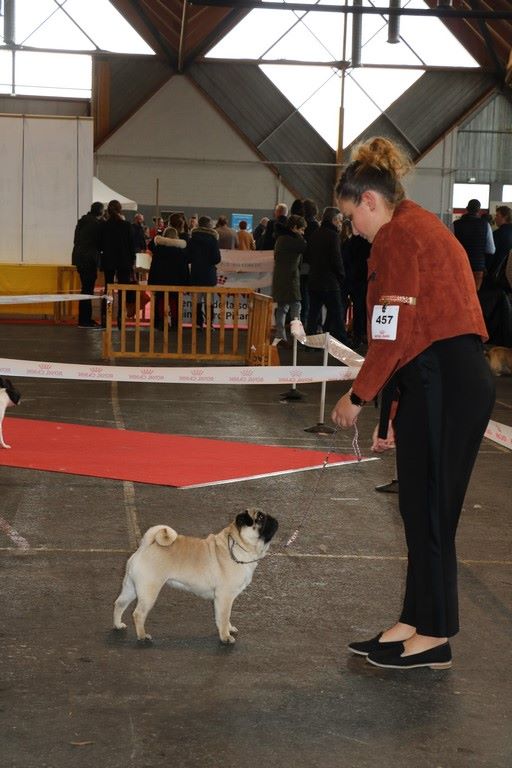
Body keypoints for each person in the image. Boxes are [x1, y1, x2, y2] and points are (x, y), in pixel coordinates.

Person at [331, 137, 495, 671]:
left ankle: (436, 636)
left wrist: (358, 396)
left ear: (370, 200)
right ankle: (413, 621)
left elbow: (393, 333)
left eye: (351, 216)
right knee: (418, 508)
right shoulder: (419, 225)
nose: (353, 228)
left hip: (446, 378)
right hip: (438, 379)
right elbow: (413, 336)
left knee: (431, 512)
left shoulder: (397, 236)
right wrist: (394, 415)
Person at [305, 206, 350, 346]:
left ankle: (310, 343)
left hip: (314, 280)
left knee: (313, 314)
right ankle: (343, 342)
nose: (341, 223)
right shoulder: (333, 236)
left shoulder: (315, 234)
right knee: (337, 313)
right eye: (340, 220)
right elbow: (336, 259)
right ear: (334, 220)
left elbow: (308, 256)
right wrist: (341, 276)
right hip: (330, 282)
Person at [271, 214, 307, 345]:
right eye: (301, 229)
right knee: (296, 305)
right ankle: (297, 335)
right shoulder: (292, 240)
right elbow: (304, 246)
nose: (303, 233)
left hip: (279, 278)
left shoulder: (280, 239)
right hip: (290, 278)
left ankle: (280, 336)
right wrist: (299, 236)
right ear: (294, 227)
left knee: (282, 307)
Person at [101, 200, 136, 327]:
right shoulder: (126, 225)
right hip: (124, 261)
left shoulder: (104, 226)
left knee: (108, 289)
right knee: (122, 290)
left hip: (109, 260)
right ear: (120, 210)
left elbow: (100, 243)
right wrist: (132, 260)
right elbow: (132, 245)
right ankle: (121, 317)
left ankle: (105, 315)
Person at [148, 226, 189, 329]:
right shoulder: (181, 251)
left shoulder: (158, 249)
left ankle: (162, 323)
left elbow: (154, 267)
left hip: (160, 281)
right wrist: (186, 282)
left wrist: (151, 282)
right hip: (176, 282)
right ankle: (175, 323)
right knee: (175, 302)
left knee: (161, 301)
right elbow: (184, 269)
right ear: (176, 236)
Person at [72, 202, 105, 328]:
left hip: (79, 257)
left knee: (85, 288)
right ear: (100, 212)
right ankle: (84, 320)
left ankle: (85, 318)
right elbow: (100, 243)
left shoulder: (82, 221)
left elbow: (75, 240)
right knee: (87, 289)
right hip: (89, 259)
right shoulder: (96, 224)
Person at [187, 215, 221, 328]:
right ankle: (209, 323)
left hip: (196, 273)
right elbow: (217, 259)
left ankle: (198, 323)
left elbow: (188, 258)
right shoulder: (213, 239)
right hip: (209, 274)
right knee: (209, 301)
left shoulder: (192, 239)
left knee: (196, 300)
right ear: (208, 225)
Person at [453, 199, 495, 290]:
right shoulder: (485, 225)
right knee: (475, 293)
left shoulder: (456, 224)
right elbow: (491, 250)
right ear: (479, 210)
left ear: (467, 209)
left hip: (461, 264)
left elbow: (451, 246)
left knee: (461, 290)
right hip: (478, 266)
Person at [300, 198, 319, 327]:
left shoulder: (302, 223)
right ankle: (308, 321)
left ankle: (303, 319)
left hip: (302, 262)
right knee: (309, 293)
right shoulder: (315, 225)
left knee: (303, 292)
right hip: (312, 263)